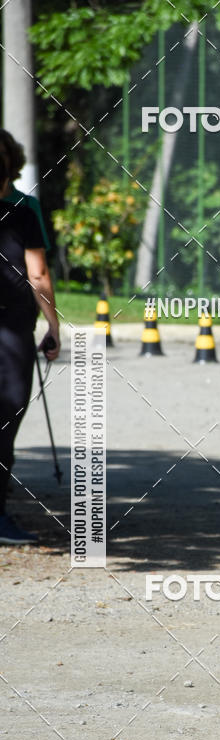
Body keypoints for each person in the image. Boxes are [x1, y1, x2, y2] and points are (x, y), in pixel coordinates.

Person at [0, 155, 60, 545]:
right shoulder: (20, 217)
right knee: (6, 413)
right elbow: (37, 273)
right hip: (10, 328)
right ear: (5, 180)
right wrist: (53, 326)